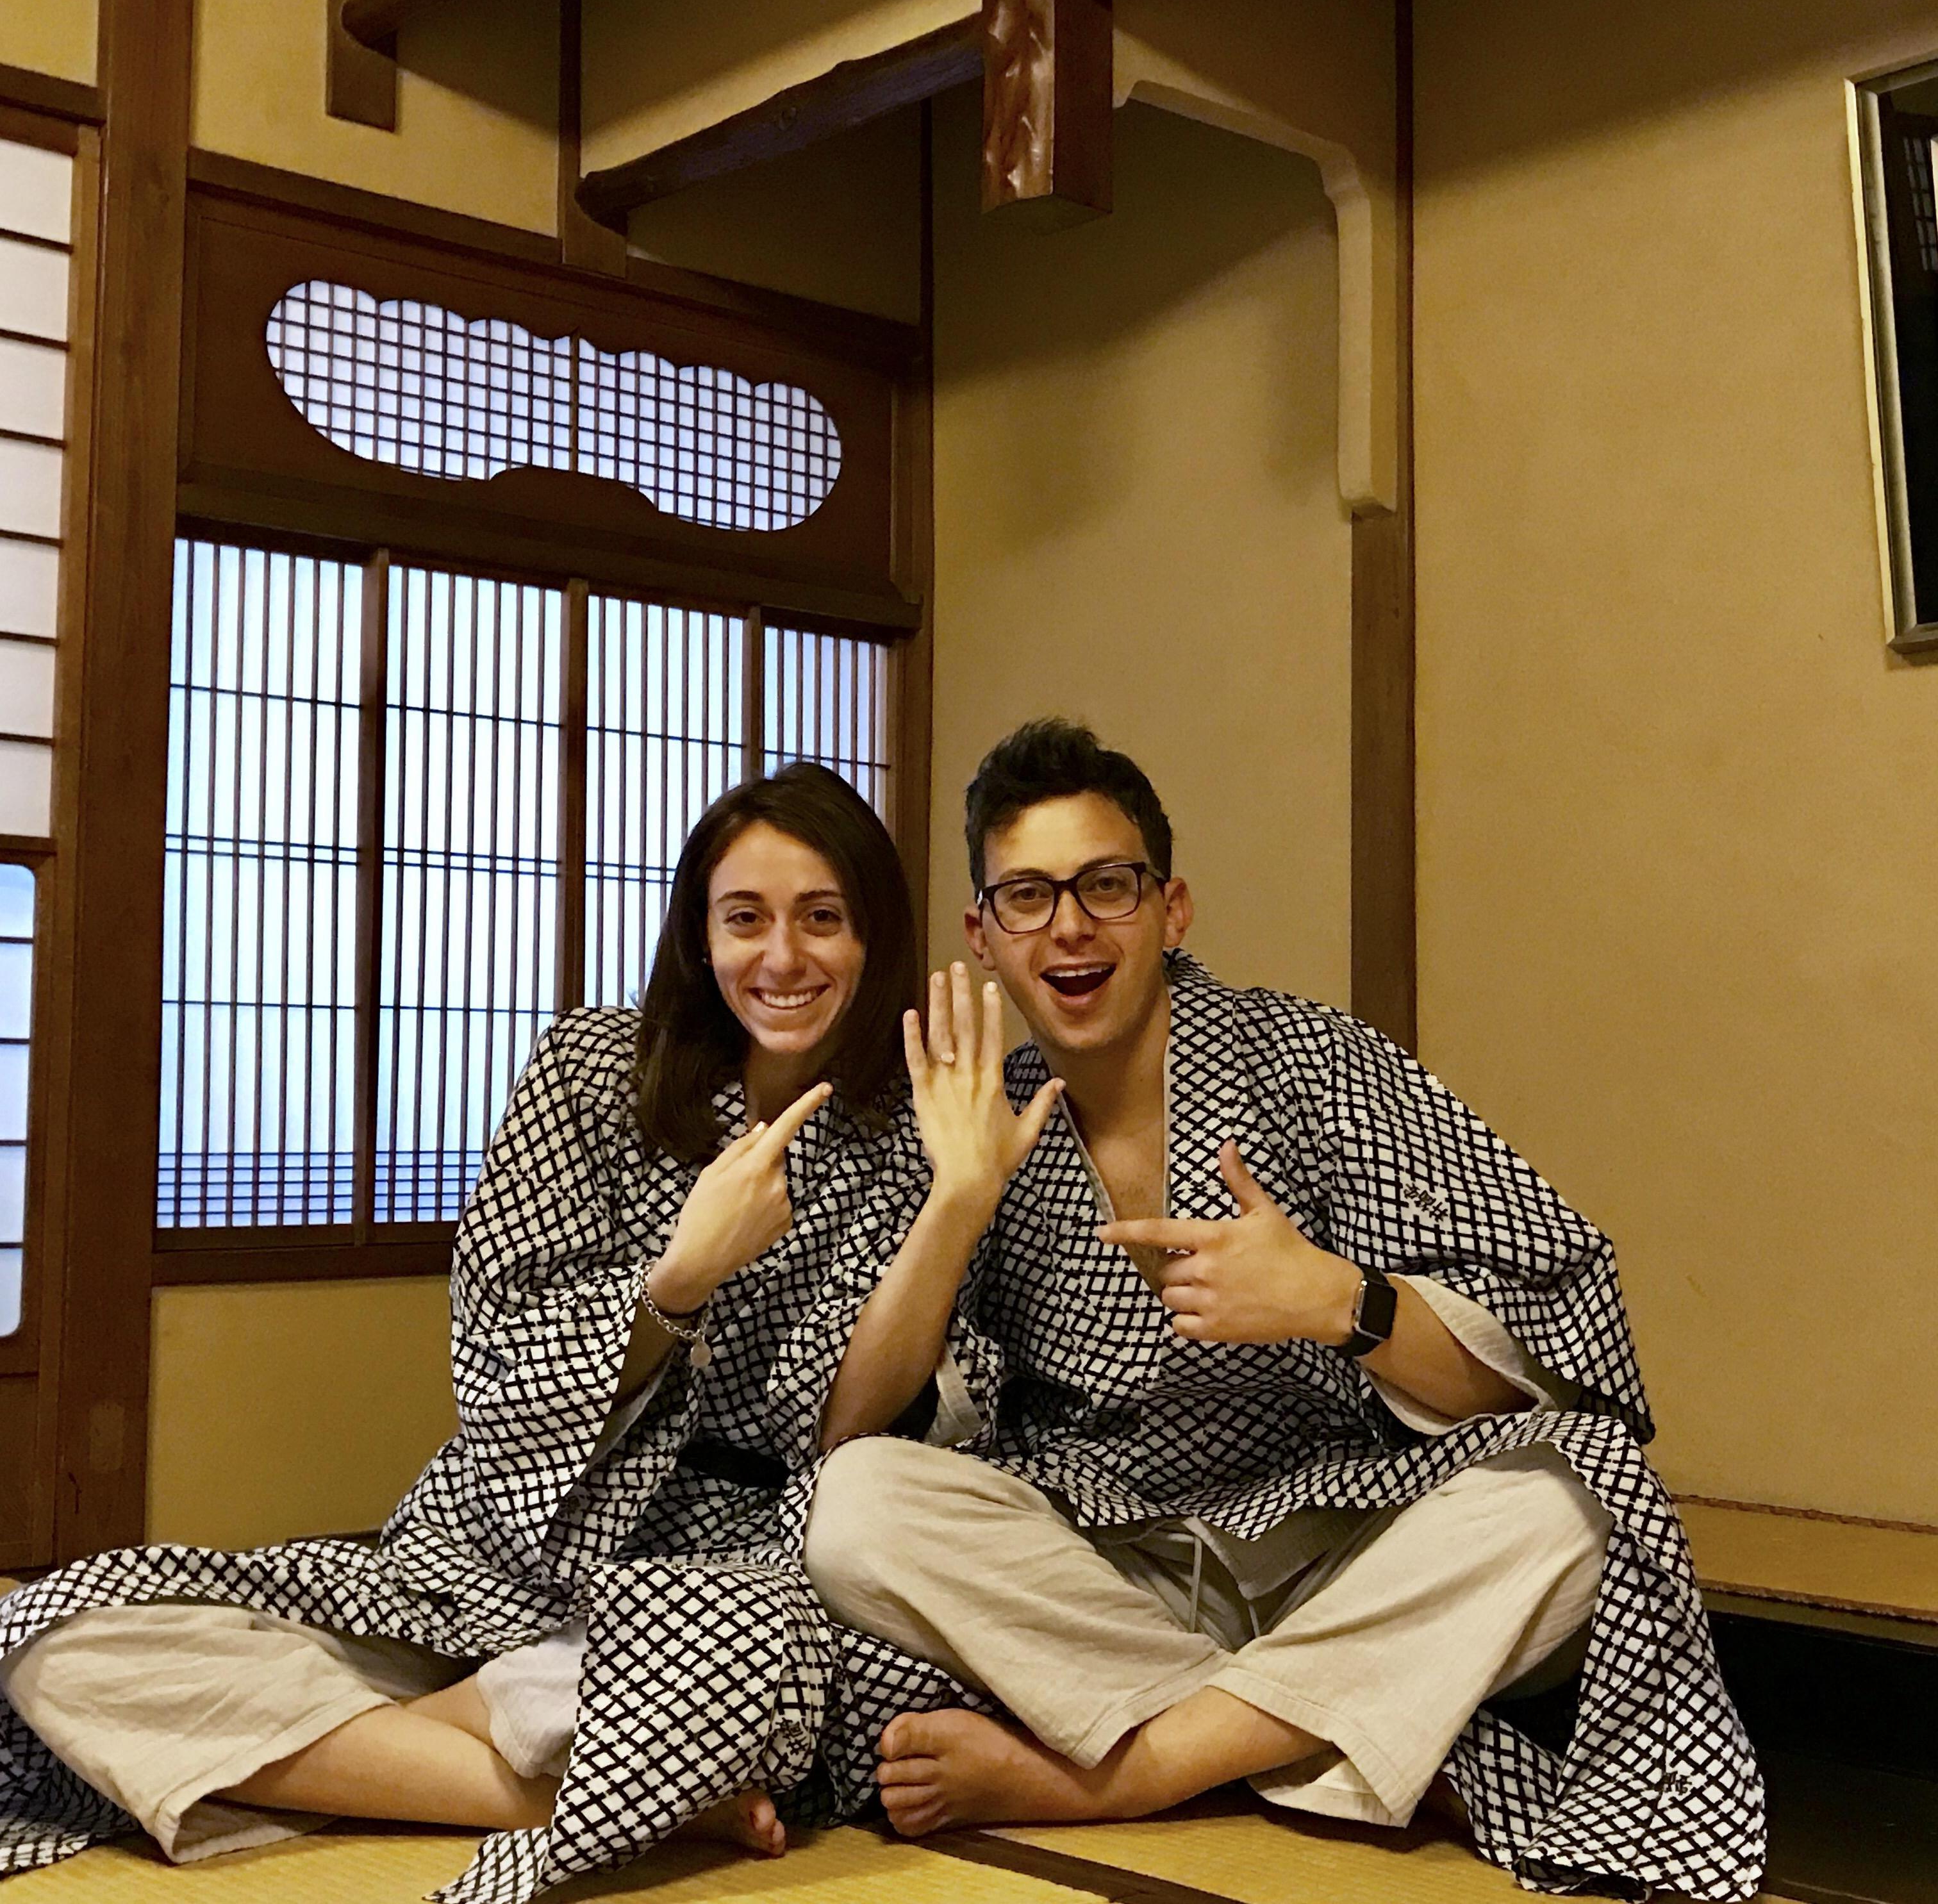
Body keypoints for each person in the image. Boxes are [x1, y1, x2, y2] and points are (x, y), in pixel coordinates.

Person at [0, 763, 1036, 1904]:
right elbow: (497, 1365)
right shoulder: (593, 1070)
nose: (782, 959)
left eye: (822, 919)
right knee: (64, 1637)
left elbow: (850, 1427)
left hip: (727, 1575)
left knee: (781, 1668)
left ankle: (375, 1758)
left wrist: (957, 1202)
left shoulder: (914, 1114)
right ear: (700, 936)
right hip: (499, 1552)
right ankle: (583, 1789)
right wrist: (685, 1272)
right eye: (745, 919)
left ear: (873, 934)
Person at [803, 719, 1767, 1903]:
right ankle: (1302, 1727)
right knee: (855, 1509)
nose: (1070, 925)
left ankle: (1136, 1771)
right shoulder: (970, 1111)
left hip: (1337, 1542)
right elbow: (854, 1425)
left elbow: (1544, 1358)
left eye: (1109, 885)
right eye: (1028, 896)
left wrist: (1339, 1301)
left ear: (1173, 909)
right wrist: (957, 1201)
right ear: (983, 936)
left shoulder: (1311, 1064)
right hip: (1104, 1565)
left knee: (1574, 1500)